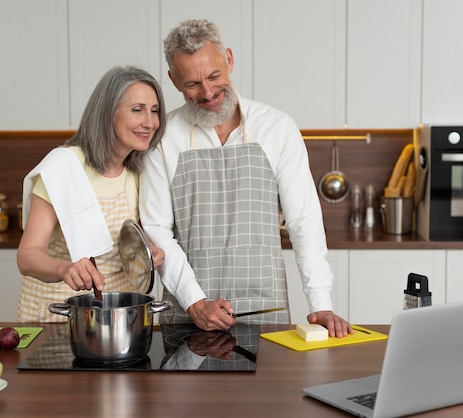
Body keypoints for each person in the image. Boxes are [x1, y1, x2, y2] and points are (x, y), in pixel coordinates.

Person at [139, 19, 353, 337]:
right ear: (173, 80)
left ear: (229, 59)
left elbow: (303, 219)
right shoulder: (162, 139)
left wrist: (320, 301)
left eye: (214, 76)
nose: (208, 92)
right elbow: (156, 230)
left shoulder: (277, 127)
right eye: (192, 84)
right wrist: (195, 302)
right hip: (188, 314)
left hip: (265, 309)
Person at [17, 66, 166, 322]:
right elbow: (27, 256)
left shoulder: (140, 170)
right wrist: (64, 268)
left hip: (120, 316)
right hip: (60, 315)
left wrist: (149, 252)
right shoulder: (62, 167)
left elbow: (134, 239)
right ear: (108, 113)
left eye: (154, 111)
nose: (150, 122)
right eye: (137, 110)